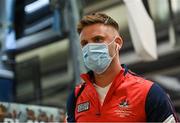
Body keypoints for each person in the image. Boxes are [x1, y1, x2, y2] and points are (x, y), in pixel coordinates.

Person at [66, 13, 179, 122]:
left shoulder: (149, 92)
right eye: (84, 43)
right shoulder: (76, 97)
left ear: (118, 43)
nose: (89, 48)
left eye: (98, 39)